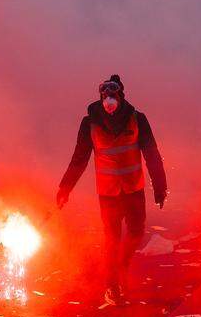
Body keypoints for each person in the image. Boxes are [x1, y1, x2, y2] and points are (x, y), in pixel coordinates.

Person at [57, 75, 168, 305]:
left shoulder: (137, 119)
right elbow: (79, 159)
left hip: (133, 189)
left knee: (136, 232)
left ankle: (122, 264)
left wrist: (160, 186)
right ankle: (112, 286)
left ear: (121, 96)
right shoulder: (89, 123)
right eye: (105, 96)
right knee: (112, 240)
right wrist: (65, 188)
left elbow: (152, 154)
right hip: (108, 193)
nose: (109, 101)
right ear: (100, 98)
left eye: (113, 96)